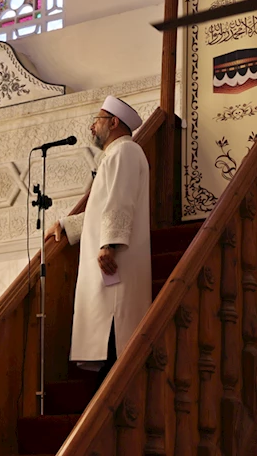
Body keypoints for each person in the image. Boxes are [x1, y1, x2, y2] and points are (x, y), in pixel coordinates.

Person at [47, 95, 151, 381]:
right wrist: (67, 226)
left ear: (114, 122)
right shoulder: (116, 154)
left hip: (115, 264)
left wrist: (109, 244)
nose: (93, 127)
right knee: (107, 345)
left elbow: (121, 202)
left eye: (98, 119)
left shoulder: (125, 152)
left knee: (114, 337)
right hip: (110, 260)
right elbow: (100, 209)